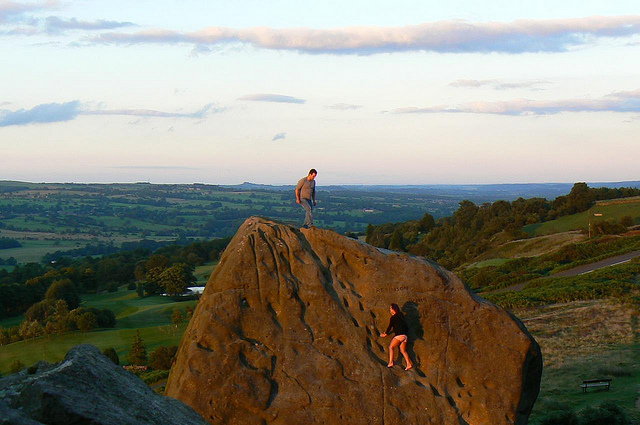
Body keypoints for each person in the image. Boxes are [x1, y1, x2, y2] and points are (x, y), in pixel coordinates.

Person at [380, 303, 413, 370]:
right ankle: (409, 364)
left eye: (390, 308)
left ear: (393, 309)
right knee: (403, 350)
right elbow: (406, 327)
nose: (389, 310)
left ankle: (391, 362)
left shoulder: (393, 318)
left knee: (391, 347)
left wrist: (385, 333)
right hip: (405, 336)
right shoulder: (401, 316)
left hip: (399, 335)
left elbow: (390, 327)